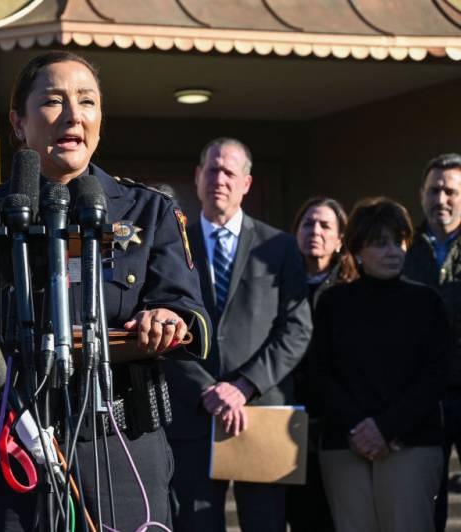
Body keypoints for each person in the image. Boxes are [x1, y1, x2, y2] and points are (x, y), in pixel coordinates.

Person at [0, 51, 210, 531]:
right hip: (14, 447)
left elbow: (190, 315)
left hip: (122, 445)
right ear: (18, 122)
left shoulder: (148, 212)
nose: (74, 116)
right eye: (53, 101)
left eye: (87, 102)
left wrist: (169, 321)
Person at [165, 137, 312, 532]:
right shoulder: (173, 247)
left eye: (230, 171)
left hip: (259, 414)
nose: (220, 179)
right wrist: (206, 389)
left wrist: (245, 385)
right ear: (197, 179)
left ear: (247, 183)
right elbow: (161, 324)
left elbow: (297, 328)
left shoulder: (278, 246)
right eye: (212, 169)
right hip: (194, 417)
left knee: (265, 523)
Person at [312, 197, 449, 532]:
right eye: (380, 243)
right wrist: (361, 428)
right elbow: (319, 375)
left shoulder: (427, 302)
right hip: (346, 444)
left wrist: (386, 427)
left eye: (399, 241)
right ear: (357, 250)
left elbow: (435, 375)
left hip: (411, 443)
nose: (394, 251)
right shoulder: (332, 303)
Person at [402, 153, 461, 532]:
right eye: (434, 190)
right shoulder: (401, 250)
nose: (441, 199)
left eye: (451, 191)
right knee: (425, 504)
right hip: (421, 396)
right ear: (421, 194)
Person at [286, 196, 353, 532]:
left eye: (326, 225)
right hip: (287, 416)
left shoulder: (351, 289)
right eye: (307, 223)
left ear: (341, 238)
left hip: (337, 420)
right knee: (299, 514)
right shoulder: (278, 282)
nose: (315, 231)